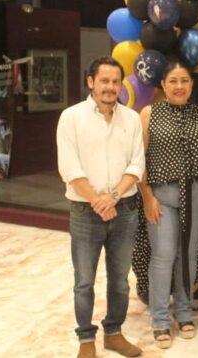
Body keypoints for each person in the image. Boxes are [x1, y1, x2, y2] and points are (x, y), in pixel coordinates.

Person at [56, 56, 145, 358]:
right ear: (90, 82)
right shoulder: (71, 117)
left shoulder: (131, 118)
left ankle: (114, 333)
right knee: (84, 281)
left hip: (125, 210)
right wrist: (99, 200)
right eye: (104, 81)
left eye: (115, 81)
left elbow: (137, 164)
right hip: (86, 212)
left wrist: (113, 197)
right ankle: (85, 339)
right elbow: (69, 167)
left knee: (119, 280)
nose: (110, 87)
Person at [138, 60, 198, 349]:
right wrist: (147, 196)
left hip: (197, 192)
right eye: (173, 81)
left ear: (191, 84)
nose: (179, 86)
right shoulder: (148, 114)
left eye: (184, 81)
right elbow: (138, 158)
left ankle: (183, 311)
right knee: (163, 255)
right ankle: (159, 319)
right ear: (163, 85)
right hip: (161, 194)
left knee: (188, 255)